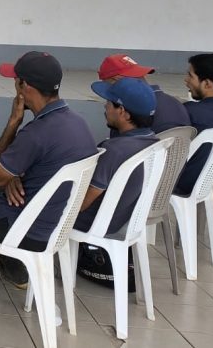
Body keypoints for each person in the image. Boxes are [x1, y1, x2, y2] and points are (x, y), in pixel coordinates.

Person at [0, 51, 97, 314]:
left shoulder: (37, 132)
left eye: (16, 81)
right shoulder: (77, 123)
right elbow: (41, 166)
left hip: (27, 227)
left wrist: (13, 122)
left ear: (24, 87)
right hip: (52, 222)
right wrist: (14, 177)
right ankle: (14, 270)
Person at [73, 78, 159, 291]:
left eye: (110, 103)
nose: (105, 106)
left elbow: (82, 204)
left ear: (124, 113)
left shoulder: (114, 150)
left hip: (96, 223)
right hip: (126, 221)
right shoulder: (155, 143)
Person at [174, 53, 213, 196]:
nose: (186, 80)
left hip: (179, 183)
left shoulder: (190, 112)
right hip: (204, 182)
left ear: (207, 84)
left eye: (190, 76)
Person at [97, 54, 189, 135]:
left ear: (116, 80)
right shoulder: (174, 102)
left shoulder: (128, 110)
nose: (107, 94)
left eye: (105, 84)